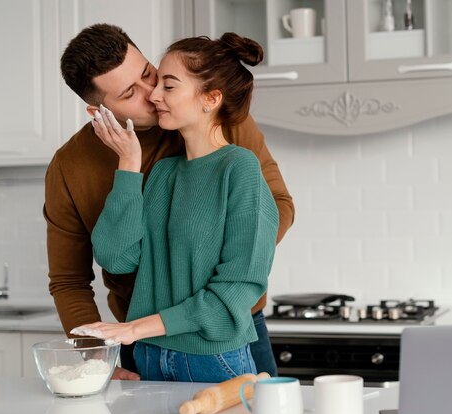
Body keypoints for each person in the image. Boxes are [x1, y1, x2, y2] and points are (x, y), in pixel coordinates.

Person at [44, 23, 294, 380]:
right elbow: (73, 279)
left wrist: (213, 284)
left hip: (225, 328)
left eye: (150, 73)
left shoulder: (216, 118)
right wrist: (96, 357)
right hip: (140, 337)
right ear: (98, 110)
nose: (153, 93)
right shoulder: (74, 167)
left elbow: (277, 203)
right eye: (131, 92)